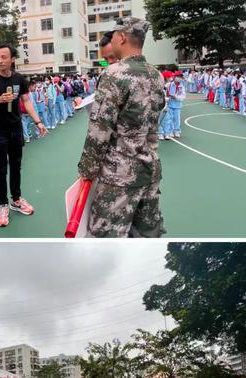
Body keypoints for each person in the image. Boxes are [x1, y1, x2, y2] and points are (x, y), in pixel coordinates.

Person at [77, 17, 165, 238]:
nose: (113, 39)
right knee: (146, 233)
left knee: (105, 238)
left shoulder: (114, 74)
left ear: (122, 37)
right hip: (150, 169)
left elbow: (99, 131)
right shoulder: (156, 74)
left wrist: (87, 170)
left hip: (120, 176)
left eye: (114, 35)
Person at [0, 44, 47, 228]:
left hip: (16, 129)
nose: (0, 60)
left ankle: (16, 199)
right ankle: (3, 205)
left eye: (3, 57)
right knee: (1, 169)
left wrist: (38, 122)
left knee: (16, 165)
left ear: (12, 59)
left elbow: (26, 101)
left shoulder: (19, 79)